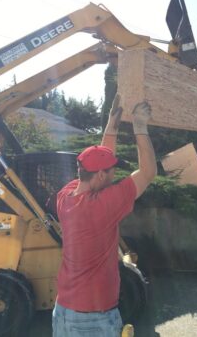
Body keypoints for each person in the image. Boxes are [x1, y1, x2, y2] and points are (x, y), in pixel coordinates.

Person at [52, 94, 157, 337]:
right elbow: (148, 172)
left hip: (63, 311)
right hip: (93, 319)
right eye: (111, 172)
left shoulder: (65, 196)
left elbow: (101, 159)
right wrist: (140, 128)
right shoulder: (103, 206)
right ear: (99, 176)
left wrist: (112, 124)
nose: (113, 177)